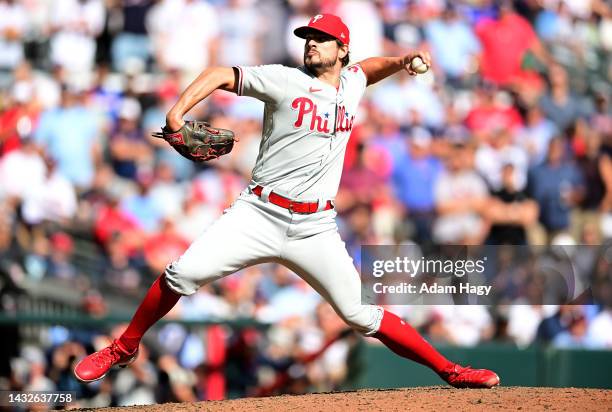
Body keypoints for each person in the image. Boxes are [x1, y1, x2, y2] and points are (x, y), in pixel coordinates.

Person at [73, 13, 499, 389]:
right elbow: (221, 73)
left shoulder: (351, 84)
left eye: (321, 38)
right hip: (258, 213)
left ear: (341, 49)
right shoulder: (285, 79)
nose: (310, 43)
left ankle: (450, 370)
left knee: (360, 314)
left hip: (315, 227)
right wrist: (175, 114)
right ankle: (124, 347)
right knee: (180, 275)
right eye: (307, 37)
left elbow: (368, 69)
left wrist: (402, 60)